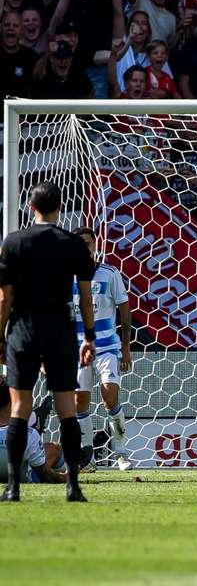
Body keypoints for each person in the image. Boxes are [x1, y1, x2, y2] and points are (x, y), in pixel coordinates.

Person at [0, 182, 97, 502]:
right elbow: (85, 298)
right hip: (61, 328)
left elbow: (5, 297)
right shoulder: (74, 245)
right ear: (60, 207)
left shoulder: (13, 242)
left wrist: (0, 334)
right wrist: (90, 338)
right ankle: (73, 486)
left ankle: (13, 488)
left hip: (23, 327)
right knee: (66, 408)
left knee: (19, 407)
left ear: (31, 206)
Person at [71, 228, 132, 472]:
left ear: (96, 245)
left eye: (88, 243)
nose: (85, 247)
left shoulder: (110, 273)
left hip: (107, 347)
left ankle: (121, 453)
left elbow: (125, 311)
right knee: (79, 402)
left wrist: (125, 349)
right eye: (80, 244)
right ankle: (88, 457)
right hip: (77, 349)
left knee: (110, 398)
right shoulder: (66, 276)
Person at [0, 383, 67, 485]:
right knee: (55, 448)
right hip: (24, 475)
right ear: (13, 400)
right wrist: (66, 477)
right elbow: (47, 476)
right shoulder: (30, 435)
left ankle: (35, 418)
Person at [0, 10, 38, 99]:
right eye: (7, 25)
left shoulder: (31, 58)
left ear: (21, 30)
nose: (11, 28)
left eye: (15, 26)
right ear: (0, 28)